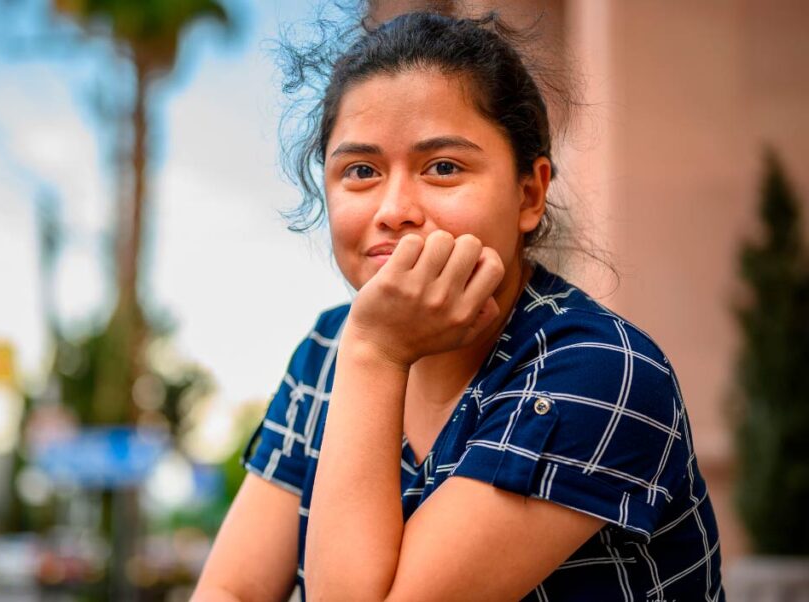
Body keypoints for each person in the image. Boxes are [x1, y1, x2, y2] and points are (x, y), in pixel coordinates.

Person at [193, 7, 724, 602]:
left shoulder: (602, 370)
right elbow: (232, 590)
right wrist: (367, 348)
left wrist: (375, 353)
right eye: (361, 170)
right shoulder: (326, 350)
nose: (394, 208)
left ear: (529, 193)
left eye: (443, 167)